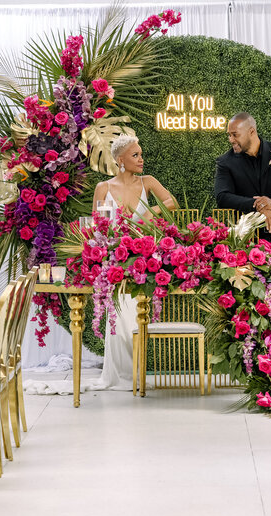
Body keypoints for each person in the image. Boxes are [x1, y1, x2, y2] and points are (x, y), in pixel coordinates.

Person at [87, 134, 176, 391]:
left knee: (138, 316)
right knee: (119, 317)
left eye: (140, 154)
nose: (141, 159)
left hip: (144, 259)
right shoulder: (103, 188)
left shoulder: (147, 182)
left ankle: (138, 371)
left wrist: (151, 211)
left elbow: (172, 201)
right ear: (120, 160)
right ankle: (121, 373)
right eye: (135, 155)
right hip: (114, 260)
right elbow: (96, 225)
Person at [214, 113, 271, 250]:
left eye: (235, 134)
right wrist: (259, 205)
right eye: (229, 135)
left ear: (251, 131)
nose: (231, 139)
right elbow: (222, 197)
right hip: (246, 242)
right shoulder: (225, 162)